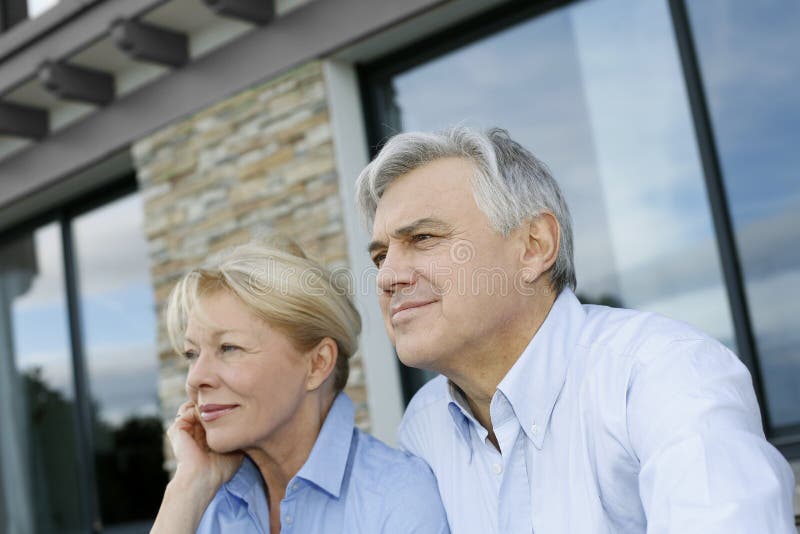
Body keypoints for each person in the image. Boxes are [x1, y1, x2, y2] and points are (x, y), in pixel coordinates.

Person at [355, 127, 796, 533]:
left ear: (534, 247)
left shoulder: (665, 374)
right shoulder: (423, 426)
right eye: (380, 257)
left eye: (424, 238)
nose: (388, 276)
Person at [150, 239, 449, 534]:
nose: (195, 378)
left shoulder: (397, 499)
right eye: (192, 354)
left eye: (229, 348)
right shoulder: (206, 502)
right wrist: (187, 488)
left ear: (318, 364)